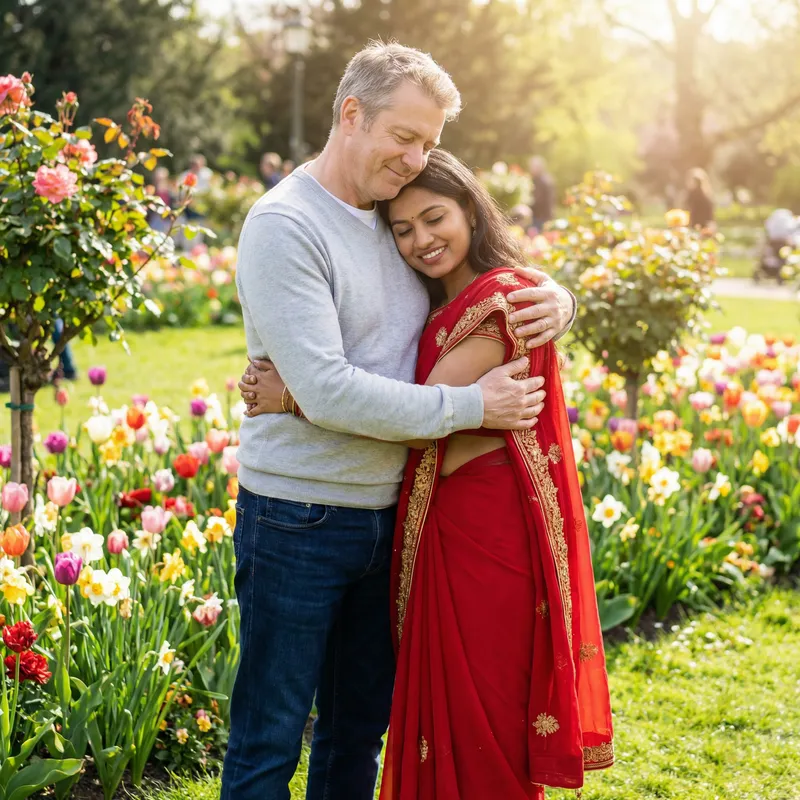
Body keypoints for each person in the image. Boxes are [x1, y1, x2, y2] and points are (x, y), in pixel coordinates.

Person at [222, 42, 578, 800]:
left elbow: (474, 278)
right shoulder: (286, 224)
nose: (417, 159)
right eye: (405, 137)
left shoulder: (392, 215)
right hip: (300, 515)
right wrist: (473, 407)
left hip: (396, 516)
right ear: (352, 114)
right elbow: (332, 390)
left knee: (357, 734)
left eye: (430, 143)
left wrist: (558, 297)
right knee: (269, 739)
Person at [529, 155, 555, 232]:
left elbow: (542, 200)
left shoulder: (544, 181)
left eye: (533, 167)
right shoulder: (536, 179)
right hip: (539, 215)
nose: (531, 169)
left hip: (542, 216)